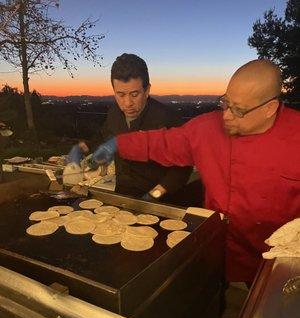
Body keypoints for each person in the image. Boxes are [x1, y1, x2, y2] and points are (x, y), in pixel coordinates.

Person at [88, 59, 300, 283]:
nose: (226, 115)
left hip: (274, 260)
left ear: (270, 108)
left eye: (239, 110)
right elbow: (162, 143)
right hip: (215, 246)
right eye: (225, 103)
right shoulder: (206, 128)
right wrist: (116, 144)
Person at [69, 53, 194, 205]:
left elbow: (182, 169)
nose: (127, 103)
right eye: (120, 94)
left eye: (134, 94)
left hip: (161, 201)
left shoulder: (167, 118)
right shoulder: (114, 113)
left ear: (147, 90)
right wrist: (81, 148)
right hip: (122, 196)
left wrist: (153, 195)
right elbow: (102, 138)